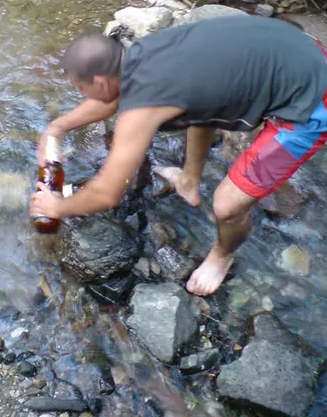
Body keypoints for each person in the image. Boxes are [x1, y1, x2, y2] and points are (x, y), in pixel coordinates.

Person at [30, 15, 327, 296]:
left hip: (313, 98)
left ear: (100, 82)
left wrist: (58, 207)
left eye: (82, 89)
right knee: (195, 105)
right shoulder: (141, 54)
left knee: (227, 205)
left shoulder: (144, 105)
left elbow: (107, 193)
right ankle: (189, 181)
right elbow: (114, 97)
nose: (83, 95)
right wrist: (57, 128)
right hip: (298, 47)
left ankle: (222, 256)